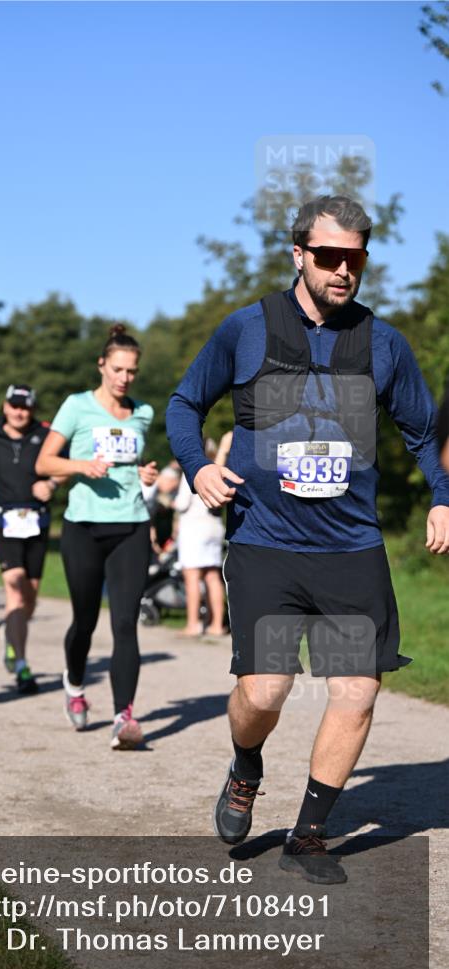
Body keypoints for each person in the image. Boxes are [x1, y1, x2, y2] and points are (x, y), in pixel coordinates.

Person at [166, 195, 449, 883]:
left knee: (355, 689)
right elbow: (183, 404)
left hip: (350, 549)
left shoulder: (382, 343)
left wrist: (440, 497)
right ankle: (244, 767)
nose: (342, 270)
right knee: (265, 691)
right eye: (328, 256)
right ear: (297, 253)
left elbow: (421, 431)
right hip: (265, 543)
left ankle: (309, 835)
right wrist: (199, 467)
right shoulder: (245, 330)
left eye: (355, 258)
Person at [36, 324, 158, 748]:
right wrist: (80, 466)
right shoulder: (77, 406)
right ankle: (73, 683)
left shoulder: (143, 413)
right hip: (84, 527)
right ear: (102, 365)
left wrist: (145, 472)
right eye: (118, 369)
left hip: (131, 525)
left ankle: (124, 716)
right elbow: (44, 463)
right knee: (85, 622)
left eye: (132, 372)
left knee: (125, 623)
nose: (125, 378)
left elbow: (133, 462)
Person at [0, 384, 60, 695]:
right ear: (5, 406)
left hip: (37, 518)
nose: (19, 412)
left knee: (30, 595)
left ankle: (11, 633)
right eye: (14, 406)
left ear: (32, 409)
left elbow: (66, 463)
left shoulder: (47, 433)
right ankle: (22, 665)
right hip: (2, 518)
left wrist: (51, 483)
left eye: (25, 407)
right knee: (15, 584)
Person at [175, 433, 232, 637]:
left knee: (192, 577)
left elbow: (182, 502)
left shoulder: (192, 468)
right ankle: (217, 624)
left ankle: (193, 624)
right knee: (212, 576)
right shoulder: (218, 467)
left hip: (194, 527)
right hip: (215, 526)